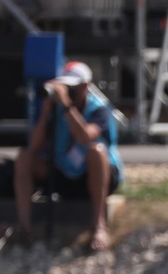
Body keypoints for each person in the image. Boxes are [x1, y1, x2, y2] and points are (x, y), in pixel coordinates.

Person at [14, 61, 123, 251]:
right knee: (24, 157)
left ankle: (99, 226)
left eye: (71, 87)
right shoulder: (55, 109)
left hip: (97, 177)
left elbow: (84, 137)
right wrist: (47, 110)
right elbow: (35, 146)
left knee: (95, 152)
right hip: (64, 173)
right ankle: (24, 226)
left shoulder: (100, 109)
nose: (67, 91)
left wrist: (67, 106)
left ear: (85, 86)